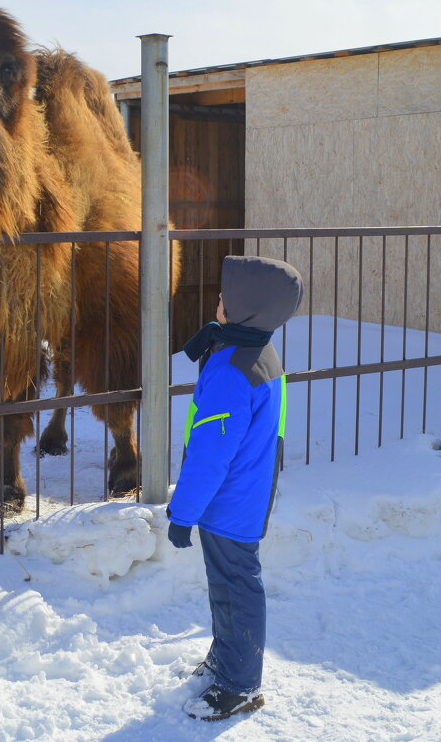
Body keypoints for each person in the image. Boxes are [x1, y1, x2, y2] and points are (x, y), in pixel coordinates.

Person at [167, 255, 304, 722]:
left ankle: (241, 684)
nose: (218, 300)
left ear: (247, 308)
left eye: (227, 295)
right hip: (243, 493)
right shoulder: (257, 352)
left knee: (236, 587)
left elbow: (210, 455)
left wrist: (183, 513)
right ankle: (228, 661)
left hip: (227, 502)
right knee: (225, 585)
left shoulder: (231, 371)